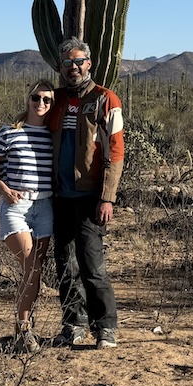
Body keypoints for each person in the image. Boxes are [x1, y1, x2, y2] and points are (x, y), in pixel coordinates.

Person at [46, 38, 124, 349]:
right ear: (61, 67)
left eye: (79, 61)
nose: (73, 67)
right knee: (65, 264)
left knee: (92, 264)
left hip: (90, 197)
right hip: (59, 196)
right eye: (67, 63)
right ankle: (73, 324)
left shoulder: (106, 99)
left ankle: (104, 328)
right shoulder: (56, 99)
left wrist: (108, 196)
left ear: (89, 63)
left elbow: (115, 151)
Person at [0, 80, 56, 353]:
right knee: (31, 267)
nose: (41, 104)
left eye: (47, 100)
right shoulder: (9, 133)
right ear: (27, 99)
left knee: (34, 270)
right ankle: (24, 329)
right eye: (36, 97)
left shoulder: (54, 134)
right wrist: (3, 189)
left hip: (45, 206)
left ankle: (23, 329)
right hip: (16, 206)